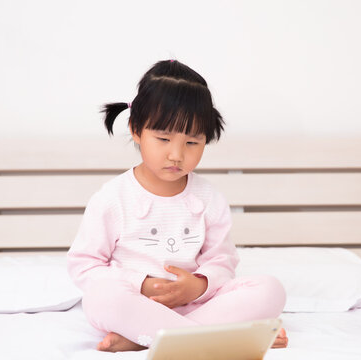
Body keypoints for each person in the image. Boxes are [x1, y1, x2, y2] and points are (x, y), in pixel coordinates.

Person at [67, 59, 288, 352]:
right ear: (136, 130)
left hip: (198, 306)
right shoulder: (112, 198)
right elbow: (85, 265)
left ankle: (149, 340)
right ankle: (217, 338)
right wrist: (141, 284)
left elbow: (222, 261)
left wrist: (198, 285)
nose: (176, 154)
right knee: (100, 296)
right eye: (163, 138)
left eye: (192, 143)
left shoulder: (209, 199)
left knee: (270, 290)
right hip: (137, 308)